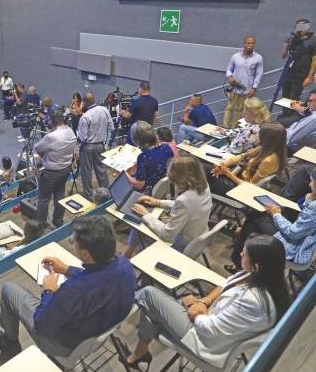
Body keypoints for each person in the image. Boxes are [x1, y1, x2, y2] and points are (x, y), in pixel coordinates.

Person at [126, 235, 290, 371]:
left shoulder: (253, 301)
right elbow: (225, 284)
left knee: (149, 295)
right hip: (211, 319)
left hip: (206, 342)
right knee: (154, 307)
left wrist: (193, 308)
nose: (240, 254)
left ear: (256, 266)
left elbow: (211, 330)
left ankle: (125, 303)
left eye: (245, 254)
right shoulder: (264, 278)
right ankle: (139, 353)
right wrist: (204, 301)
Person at [0, 216, 136, 361]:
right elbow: (98, 277)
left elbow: (41, 323)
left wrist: (49, 291)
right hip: (99, 329)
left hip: (63, 344)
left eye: (74, 242)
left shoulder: (73, 290)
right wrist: (67, 269)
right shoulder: (125, 265)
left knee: (8, 290)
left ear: (86, 254)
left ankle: (10, 343)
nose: (72, 243)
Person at [226, 167, 316, 272]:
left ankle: (240, 264)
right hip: (303, 238)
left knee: (254, 219)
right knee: (259, 217)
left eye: (312, 181)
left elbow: (293, 232)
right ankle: (244, 260)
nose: (309, 185)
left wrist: (276, 214)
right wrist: (309, 198)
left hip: (296, 249)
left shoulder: (314, 207)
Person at [125, 156, 211, 258]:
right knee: (155, 216)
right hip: (193, 232)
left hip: (178, 241)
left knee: (141, 223)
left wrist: (146, 215)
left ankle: (127, 256)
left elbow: (167, 235)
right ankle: (128, 254)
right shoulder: (204, 185)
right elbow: (186, 206)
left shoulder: (184, 200)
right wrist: (158, 202)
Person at [207, 122, 287, 197]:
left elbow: (249, 187)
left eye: (260, 134)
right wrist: (224, 165)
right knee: (207, 169)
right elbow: (242, 156)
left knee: (204, 172)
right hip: (237, 177)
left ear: (267, 138)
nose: (258, 136)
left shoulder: (269, 161)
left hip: (238, 188)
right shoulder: (264, 148)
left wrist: (227, 173)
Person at [34, 112, 77, 228]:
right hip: (65, 170)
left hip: (51, 173)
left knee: (43, 199)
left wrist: (45, 157)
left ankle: (41, 226)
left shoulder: (51, 136)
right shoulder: (71, 132)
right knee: (60, 196)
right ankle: (58, 222)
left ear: (54, 123)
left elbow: (37, 148)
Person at [277, 19, 316, 126]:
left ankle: (290, 121)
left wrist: (309, 76)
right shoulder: (294, 39)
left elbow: (314, 60)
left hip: (301, 75)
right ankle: (284, 118)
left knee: (294, 96)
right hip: (289, 73)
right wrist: (286, 44)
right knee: (285, 96)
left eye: (302, 27)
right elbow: (283, 56)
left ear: (307, 28)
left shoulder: (313, 40)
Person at [77, 92, 113, 200]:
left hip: (87, 147)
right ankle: (106, 192)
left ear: (84, 102)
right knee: (101, 169)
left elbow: (82, 137)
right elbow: (111, 126)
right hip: (100, 145)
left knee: (86, 171)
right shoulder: (104, 110)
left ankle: (89, 195)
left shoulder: (85, 116)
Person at [223, 36, 264, 129]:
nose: (251, 45)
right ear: (244, 44)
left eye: (253, 43)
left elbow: (259, 74)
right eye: (249, 43)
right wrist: (230, 77)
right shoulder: (235, 56)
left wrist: (254, 88)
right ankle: (224, 127)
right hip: (234, 87)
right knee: (229, 107)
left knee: (240, 109)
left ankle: (234, 128)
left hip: (247, 89)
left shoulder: (258, 58)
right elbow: (229, 69)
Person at [125, 121, 173, 196]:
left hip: (148, 193)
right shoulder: (166, 147)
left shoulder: (143, 157)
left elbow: (139, 185)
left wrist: (124, 174)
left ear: (137, 141)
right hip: (164, 187)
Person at [286, 89, 316, 154]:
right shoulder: (313, 114)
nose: (307, 103)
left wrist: (281, 131)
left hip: (289, 148)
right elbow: (308, 111)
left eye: (310, 100)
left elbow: (292, 139)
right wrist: (299, 107)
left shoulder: (313, 119)